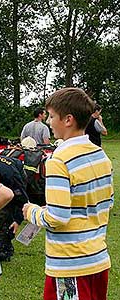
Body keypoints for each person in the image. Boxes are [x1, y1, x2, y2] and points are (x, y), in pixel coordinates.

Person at [22, 87, 114, 300]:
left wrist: (31, 211)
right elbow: (106, 202)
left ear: (68, 120)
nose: (48, 122)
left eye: (52, 116)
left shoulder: (58, 160)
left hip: (70, 265)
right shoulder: (101, 156)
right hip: (98, 261)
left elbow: (58, 218)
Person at [0, 155, 28, 261]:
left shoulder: (12, 177)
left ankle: (6, 246)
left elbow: (22, 200)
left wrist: (17, 220)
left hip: (16, 170)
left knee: (7, 213)